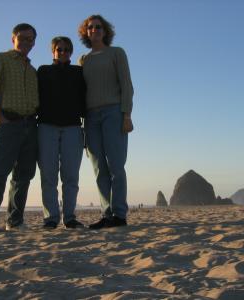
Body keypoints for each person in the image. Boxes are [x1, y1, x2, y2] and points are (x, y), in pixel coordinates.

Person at [0, 23, 39, 234]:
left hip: (31, 126)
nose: (26, 42)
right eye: (22, 38)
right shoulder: (0, 59)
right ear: (13, 39)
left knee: (23, 176)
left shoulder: (33, 71)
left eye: (30, 39)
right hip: (7, 124)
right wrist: (2, 119)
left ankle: (14, 221)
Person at [78, 15, 134, 229]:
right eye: (90, 27)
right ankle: (106, 213)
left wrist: (126, 114)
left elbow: (127, 85)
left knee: (116, 166)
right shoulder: (83, 60)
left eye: (98, 27)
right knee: (98, 168)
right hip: (90, 117)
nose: (95, 30)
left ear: (105, 30)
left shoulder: (116, 53)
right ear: (86, 32)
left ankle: (119, 215)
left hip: (114, 113)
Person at [37, 36, 86, 229]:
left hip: (73, 127)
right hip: (46, 127)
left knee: (71, 176)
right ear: (53, 51)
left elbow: (86, 98)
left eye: (67, 49)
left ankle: (69, 217)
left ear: (71, 52)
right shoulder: (43, 71)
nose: (63, 52)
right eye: (59, 49)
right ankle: (51, 218)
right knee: (48, 176)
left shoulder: (79, 72)